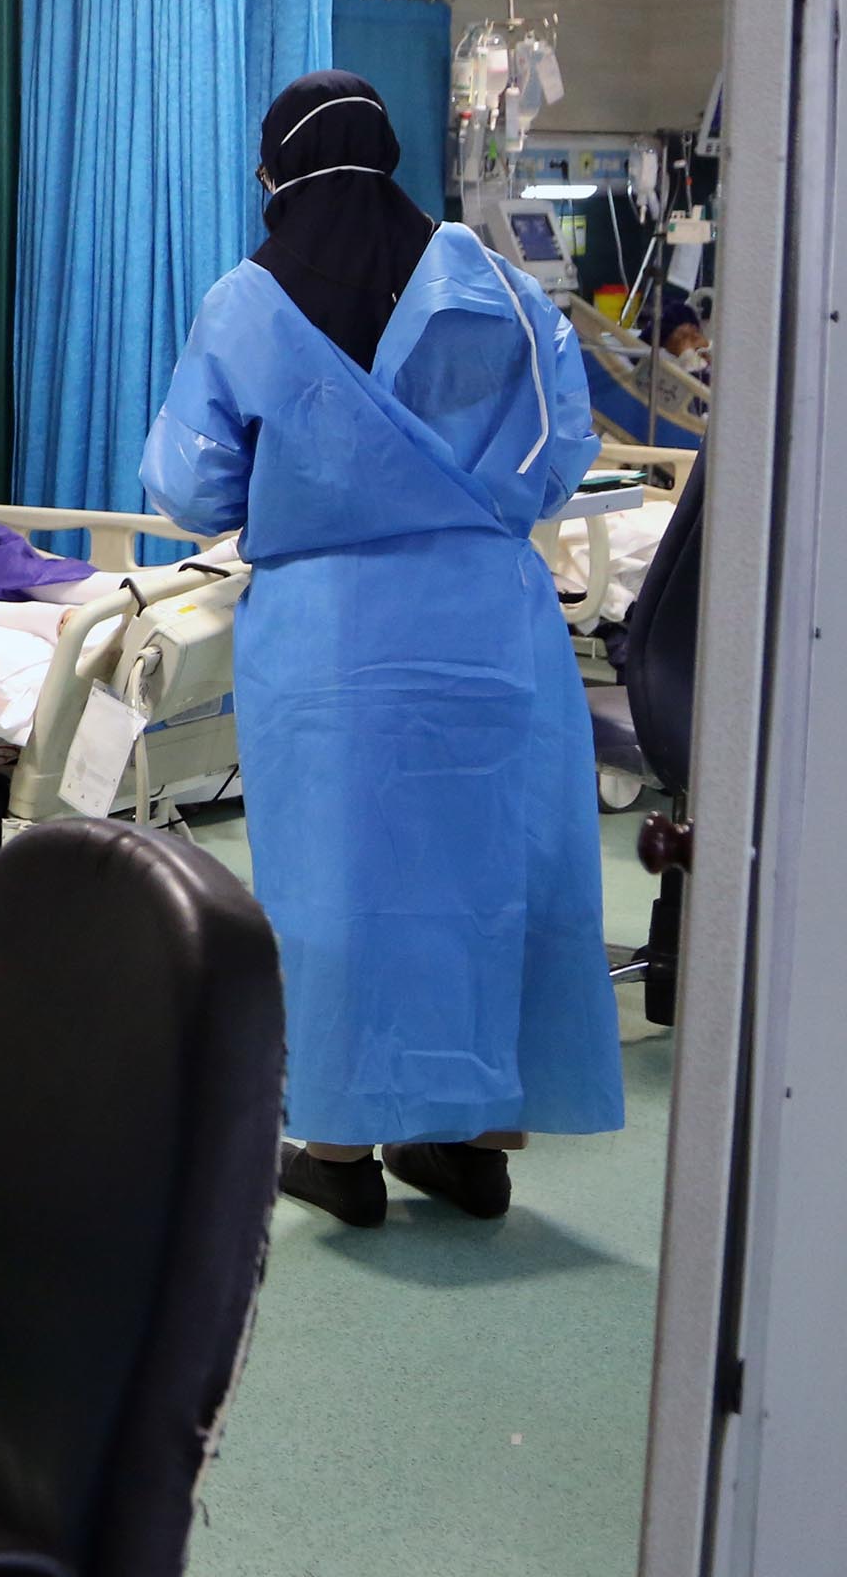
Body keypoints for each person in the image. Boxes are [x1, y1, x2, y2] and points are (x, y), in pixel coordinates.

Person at [142, 70, 623, 1227]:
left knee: (340, 890)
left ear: (275, 173)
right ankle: (472, 1148)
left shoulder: (247, 303)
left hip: (335, 647)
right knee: (486, 878)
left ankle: (342, 1150)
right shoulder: (498, 290)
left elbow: (191, 484)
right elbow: (560, 453)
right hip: (490, 631)